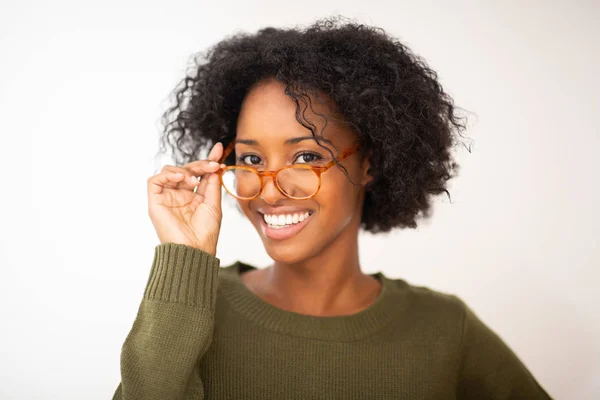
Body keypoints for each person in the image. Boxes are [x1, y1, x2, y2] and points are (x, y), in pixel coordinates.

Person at [111, 16, 552, 400]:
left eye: (306, 157)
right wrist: (185, 258)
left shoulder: (442, 329)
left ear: (369, 164)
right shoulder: (189, 311)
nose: (269, 191)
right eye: (251, 159)